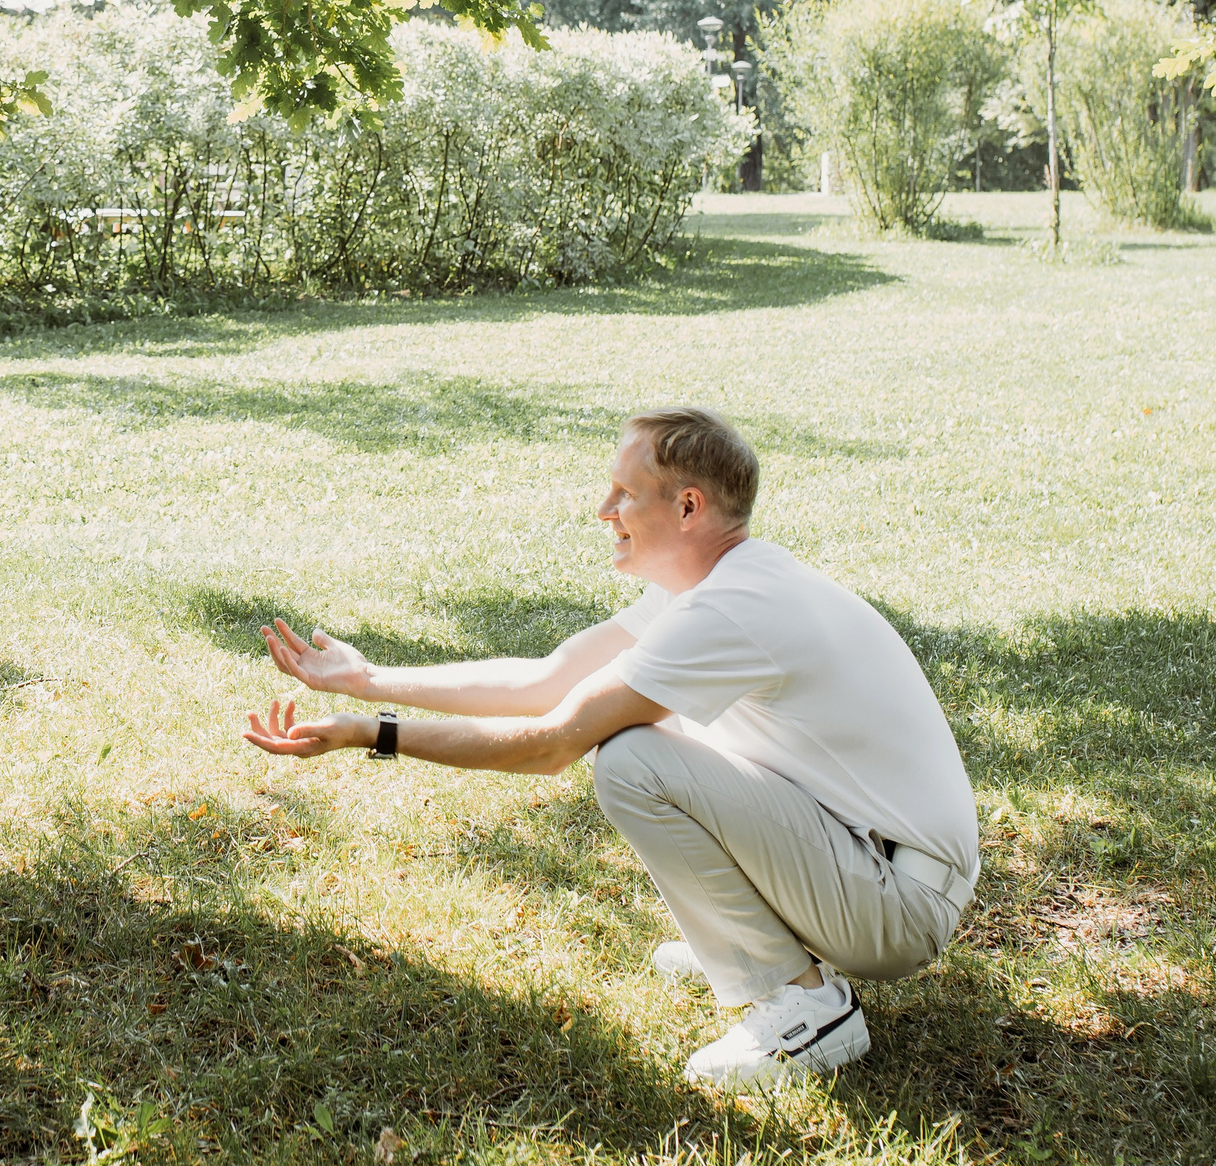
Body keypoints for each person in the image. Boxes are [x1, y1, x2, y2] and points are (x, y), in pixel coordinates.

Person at [246, 408, 978, 1089]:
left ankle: (809, 1010)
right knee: (652, 734)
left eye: (625, 493)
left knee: (632, 757)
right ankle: (748, 944)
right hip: (870, 863)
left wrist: (370, 736)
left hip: (897, 908)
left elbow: (550, 742)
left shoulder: (734, 609)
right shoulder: (717, 582)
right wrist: (368, 680)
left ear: (687, 507)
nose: (604, 511)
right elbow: (550, 679)